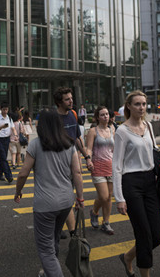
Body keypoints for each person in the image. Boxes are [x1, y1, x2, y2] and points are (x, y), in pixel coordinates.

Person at [113, 90, 160, 277]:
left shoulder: (148, 126)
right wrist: (119, 198)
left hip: (150, 182)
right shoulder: (122, 131)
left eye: (143, 104)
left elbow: (153, 151)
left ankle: (128, 257)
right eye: (137, 104)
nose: (141, 107)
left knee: (156, 236)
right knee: (143, 235)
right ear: (129, 107)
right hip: (131, 184)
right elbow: (116, 165)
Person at [14, 108, 84, 277]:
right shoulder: (69, 143)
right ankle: (48, 272)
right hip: (66, 201)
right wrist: (80, 197)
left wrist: (18, 191)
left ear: (41, 125)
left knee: (45, 249)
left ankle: (53, 272)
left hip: (45, 204)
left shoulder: (36, 144)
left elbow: (23, 173)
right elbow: (77, 173)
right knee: (53, 239)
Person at [53, 87, 89, 239]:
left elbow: (77, 140)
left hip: (73, 162)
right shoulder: (53, 119)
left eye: (71, 98)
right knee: (63, 198)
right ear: (59, 102)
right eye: (67, 99)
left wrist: (86, 156)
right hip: (57, 165)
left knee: (66, 197)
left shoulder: (73, 115)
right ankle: (71, 231)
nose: (71, 101)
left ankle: (62, 227)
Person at [85, 106, 115, 235]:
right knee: (104, 196)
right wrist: (88, 159)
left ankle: (106, 222)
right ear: (97, 117)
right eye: (102, 115)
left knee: (108, 197)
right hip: (97, 165)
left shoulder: (112, 129)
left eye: (107, 114)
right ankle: (95, 212)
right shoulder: (93, 131)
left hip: (111, 166)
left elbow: (114, 149)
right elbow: (89, 148)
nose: (106, 117)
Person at [0, 102, 16, 183]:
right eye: (3, 109)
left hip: (6, 139)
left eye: (6, 109)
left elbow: (12, 127)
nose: (5, 111)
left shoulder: (9, 118)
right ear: (0, 109)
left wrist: (15, 135)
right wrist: (2, 127)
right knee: (3, 157)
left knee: (3, 157)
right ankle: (9, 176)